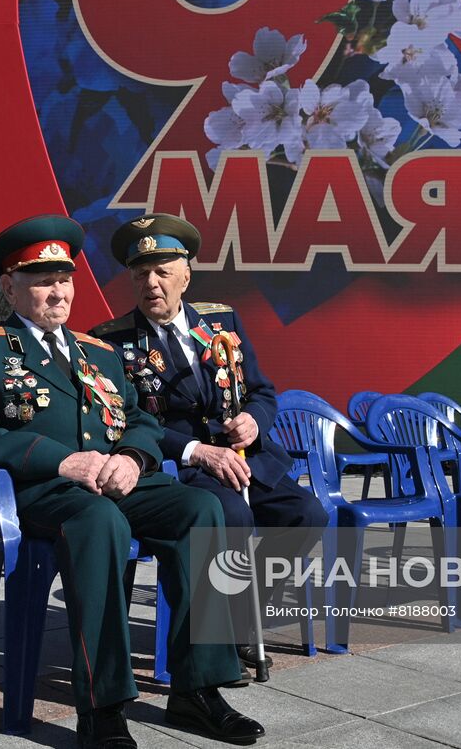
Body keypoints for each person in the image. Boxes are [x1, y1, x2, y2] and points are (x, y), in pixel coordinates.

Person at [0, 215, 263, 749]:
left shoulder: (101, 353)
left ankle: (197, 689)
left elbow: (136, 419)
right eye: (42, 280)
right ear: (9, 286)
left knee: (201, 511)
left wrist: (135, 458)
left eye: (63, 279)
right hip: (41, 489)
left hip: (117, 478)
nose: (58, 292)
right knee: (100, 522)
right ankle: (103, 705)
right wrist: (63, 462)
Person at [92, 214, 327, 670]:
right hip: (180, 467)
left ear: (186, 275)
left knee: (306, 514)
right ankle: (225, 633)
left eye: (162, 272)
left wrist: (254, 422)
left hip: (242, 457)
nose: (151, 283)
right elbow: (122, 421)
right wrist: (195, 449)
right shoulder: (112, 342)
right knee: (231, 513)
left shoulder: (221, 323)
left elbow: (261, 390)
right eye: (141, 274)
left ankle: (243, 612)